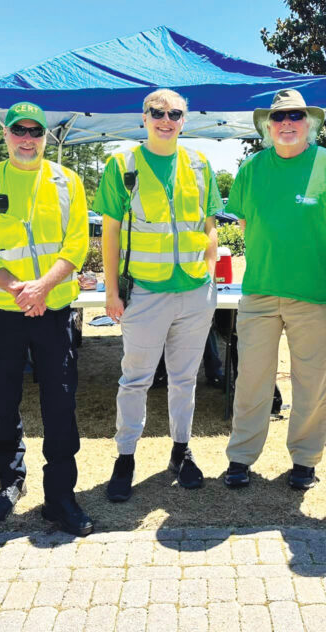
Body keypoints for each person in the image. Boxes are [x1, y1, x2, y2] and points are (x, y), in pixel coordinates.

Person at [0, 102, 93, 536]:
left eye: (36, 130)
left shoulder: (67, 181)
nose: (28, 137)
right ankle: (9, 482)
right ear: (6, 135)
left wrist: (41, 289)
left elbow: (76, 245)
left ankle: (60, 499)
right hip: (3, 311)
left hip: (52, 311)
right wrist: (21, 289)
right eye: (20, 130)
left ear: (45, 137)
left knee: (60, 407)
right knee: (2, 403)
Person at [224, 89, 326, 490]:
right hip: (260, 292)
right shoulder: (251, 168)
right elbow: (246, 224)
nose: (287, 124)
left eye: (296, 116)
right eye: (279, 117)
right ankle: (241, 457)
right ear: (268, 125)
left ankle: (305, 460)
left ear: (310, 124)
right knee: (251, 379)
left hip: (315, 293)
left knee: (311, 381)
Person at [95, 88, 222, 502]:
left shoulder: (201, 164)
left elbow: (209, 225)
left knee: (185, 379)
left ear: (185, 119)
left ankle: (180, 451)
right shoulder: (122, 163)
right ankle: (125, 457)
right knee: (135, 380)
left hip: (194, 291)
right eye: (158, 112)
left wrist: (209, 268)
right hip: (145, 292)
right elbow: (109, 232)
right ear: (144, 117)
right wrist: (112, 290)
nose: (166, 119)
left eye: (175, 113)